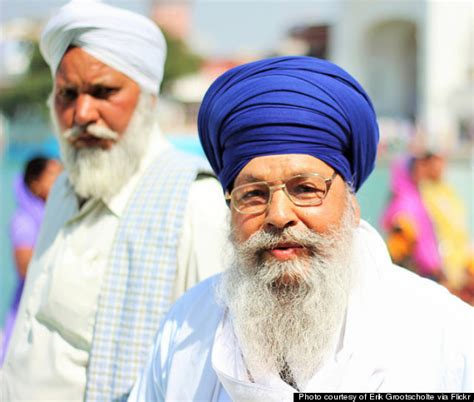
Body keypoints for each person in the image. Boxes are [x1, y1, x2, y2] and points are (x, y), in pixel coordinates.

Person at [129, 56, 474, 400]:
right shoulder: (187, 327)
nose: (278, 215)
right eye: (252, 195)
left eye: (305, 189)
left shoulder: (447, 336)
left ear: (352, 205)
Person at [0, 1, 227, 401]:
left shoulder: (194, 202)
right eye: (66, 94)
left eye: (103, 91)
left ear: (148, 98)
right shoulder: (65, 188)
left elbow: (210, 372)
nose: (81, 112)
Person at [0, 156, 62, 365]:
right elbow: (24, 267)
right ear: (35, 185)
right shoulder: (24, 221)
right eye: (53, 174)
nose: (62, 179)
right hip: (28, 310)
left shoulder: (57, 214)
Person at [381, 155, 443, 281]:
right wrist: (430, 264)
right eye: (417, 167)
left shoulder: (414, 197)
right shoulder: (404, 203)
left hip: (427, 268)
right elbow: (410, 241)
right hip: (418, 271)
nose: (421, 172)